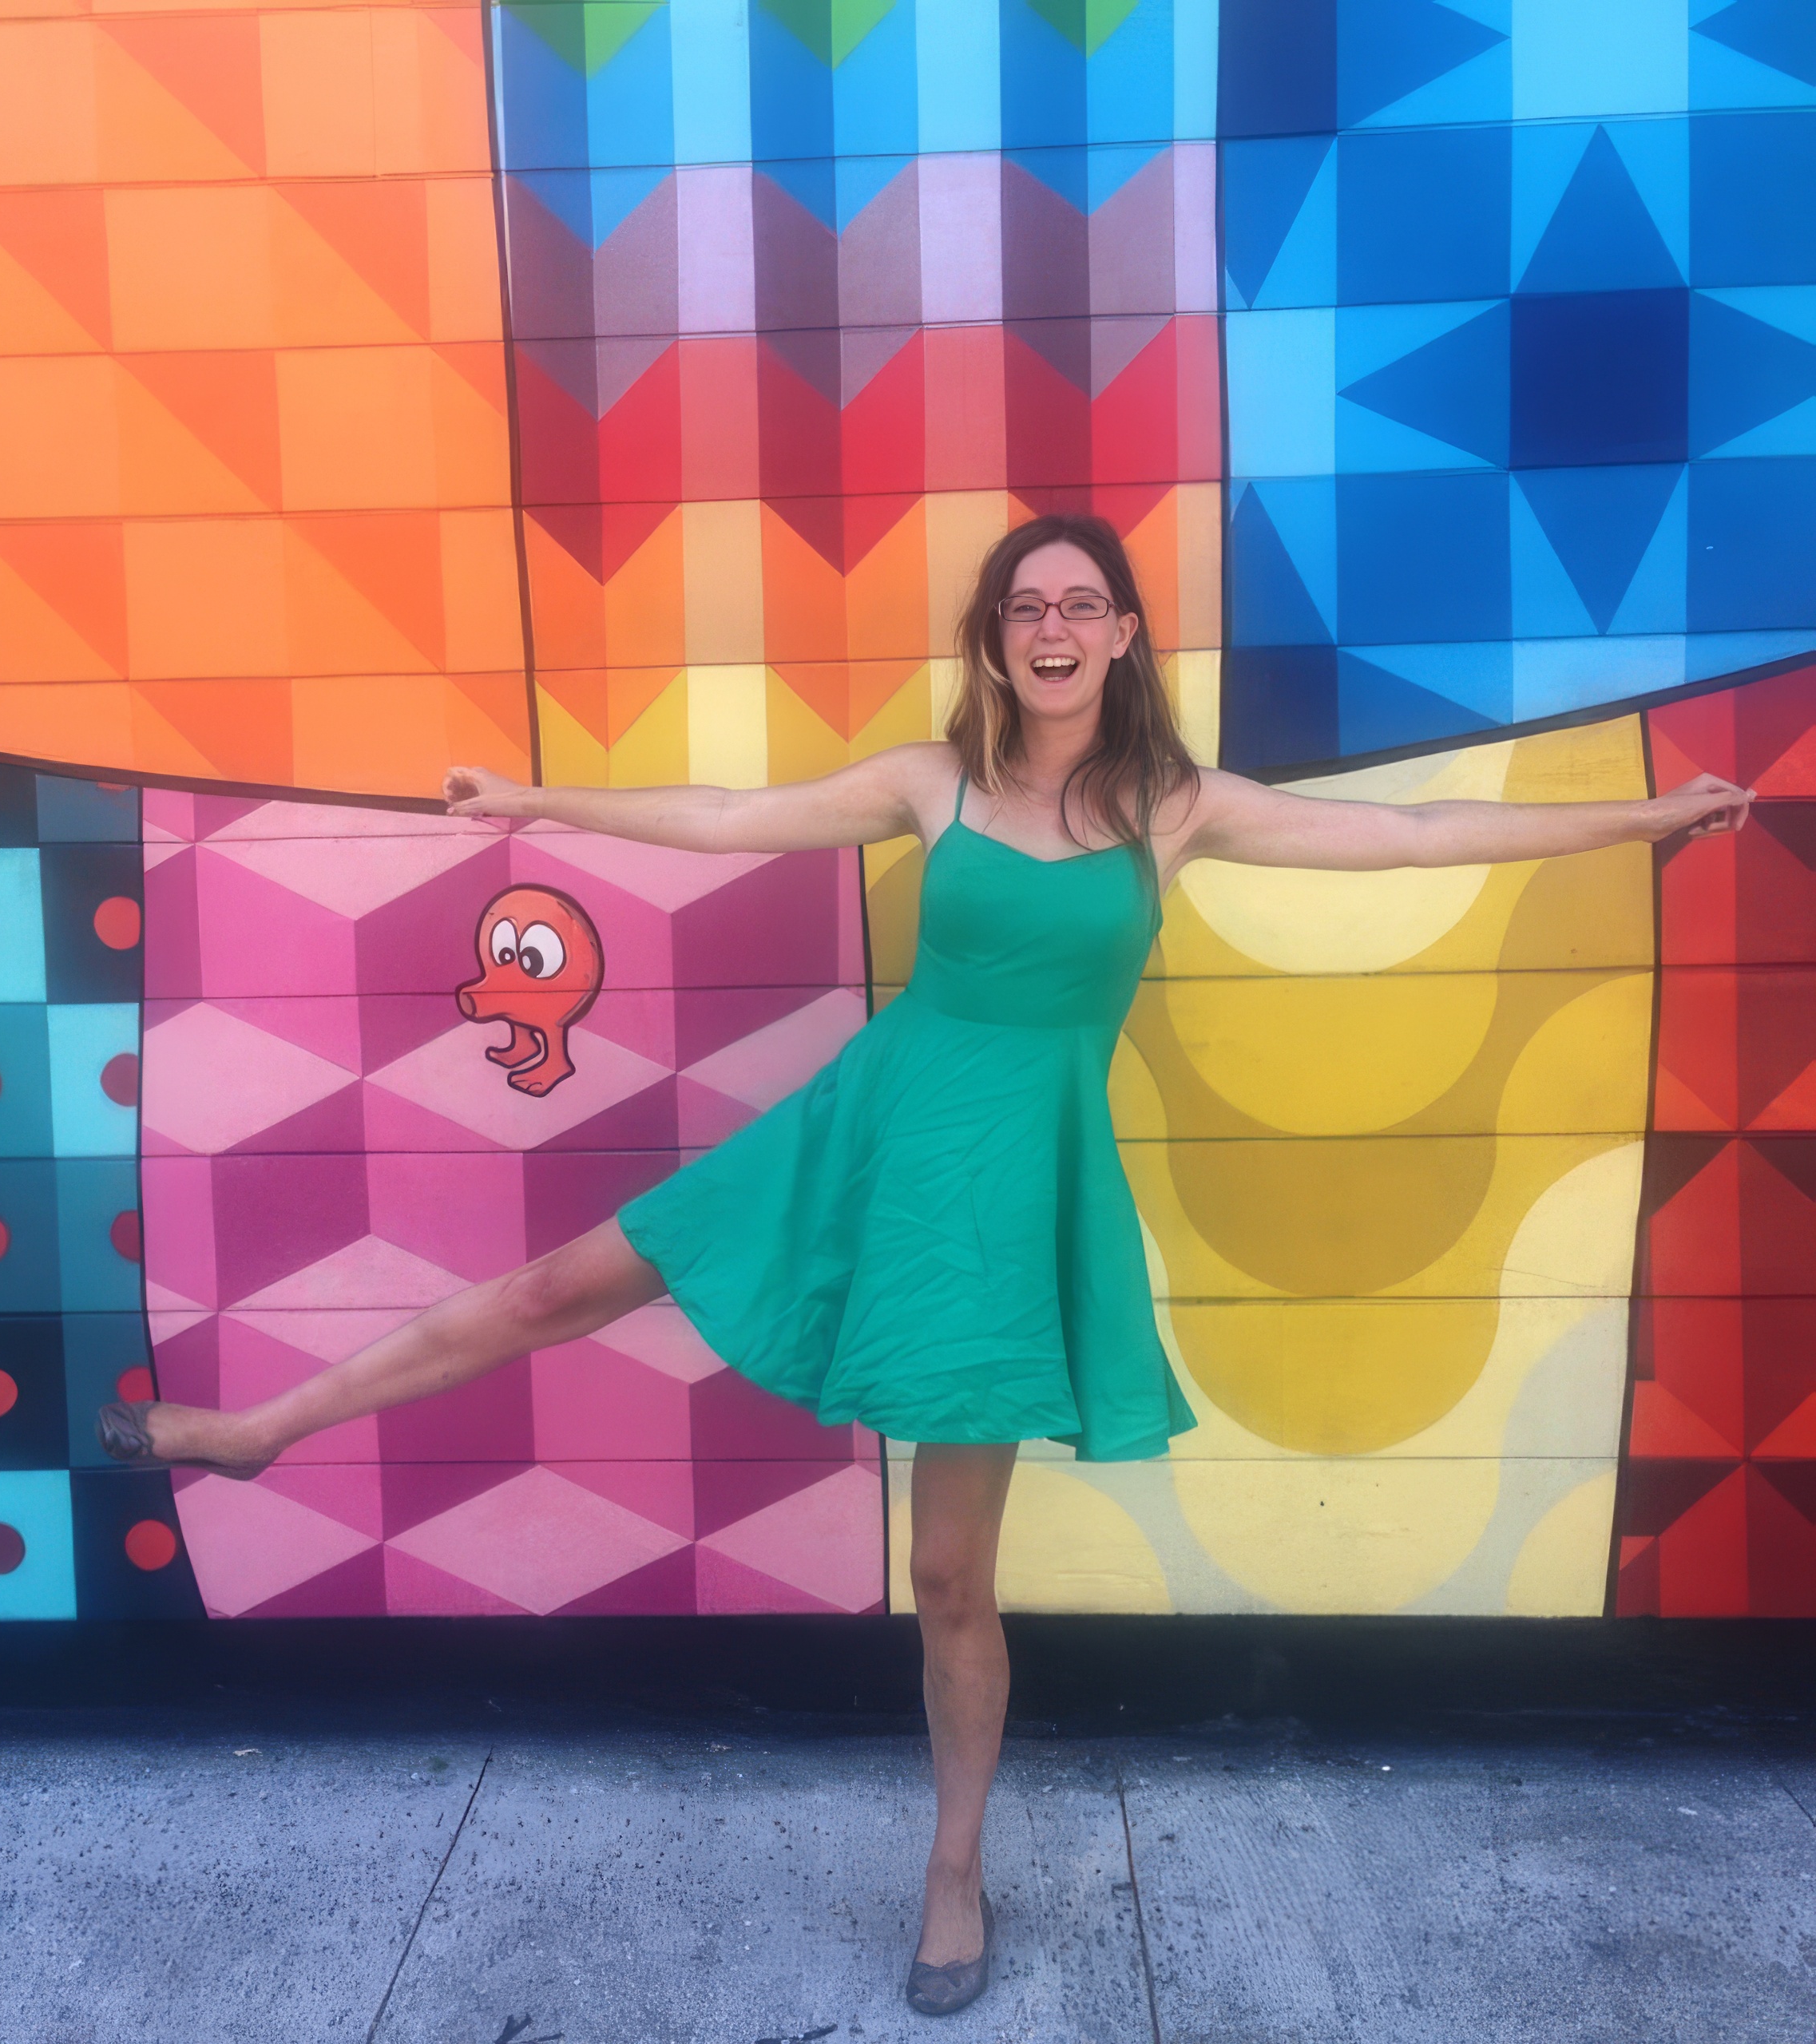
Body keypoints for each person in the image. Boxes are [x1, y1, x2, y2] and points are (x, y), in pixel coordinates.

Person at [100, 513, 1752, 2017]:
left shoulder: (1178, 810)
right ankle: (259, 1428)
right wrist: (542, 800)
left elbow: (1404, 836)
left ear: (1118, 634)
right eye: (1022, 602)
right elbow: (732, 817)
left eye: (1078, 601)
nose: (1048, 623)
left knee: (951, 1574)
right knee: (553, 1289)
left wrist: (1643, 814)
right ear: (994, 638)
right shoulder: (925, 780)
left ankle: (951, 1859)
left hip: (1003, 1202)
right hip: (863, 1132)